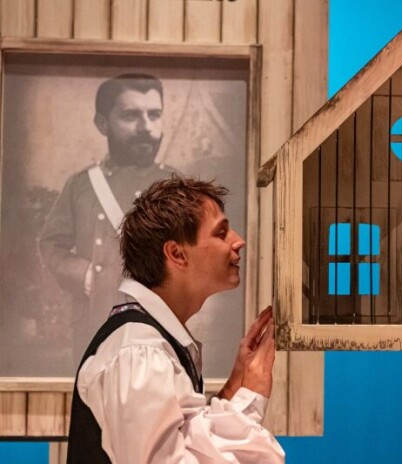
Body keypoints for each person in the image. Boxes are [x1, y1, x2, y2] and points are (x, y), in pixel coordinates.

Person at [67, 176, 285, 463]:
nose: (238, 241)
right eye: (221, 233)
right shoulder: (140, 353)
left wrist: (234, 387)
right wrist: (250, 396)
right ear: (177, 254)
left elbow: (188, 442)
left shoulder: (147, 345)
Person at [38, 74, 179, 363]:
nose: (146, 127)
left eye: (154, 115)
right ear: (102, 124)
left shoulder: (177, 185)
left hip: (159, 331)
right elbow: (51, 244)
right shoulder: (82, 185)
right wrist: (86, 275)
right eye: (131, 115)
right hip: (96, 327)